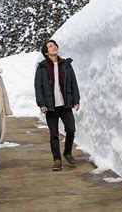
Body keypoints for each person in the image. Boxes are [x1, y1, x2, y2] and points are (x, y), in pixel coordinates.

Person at [34, 39, 80, 171]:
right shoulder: (42, 67)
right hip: (50, 106)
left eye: (54, 45)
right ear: (46, 52)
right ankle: (57, 159)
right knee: (53, 134)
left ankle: (67, 153)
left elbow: (73, 83)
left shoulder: (66, 65)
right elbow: (38, 87)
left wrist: (76, 99)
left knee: (71, 130)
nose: (53, 47)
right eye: (50, 46)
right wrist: (41, 104)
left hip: (65, 105)